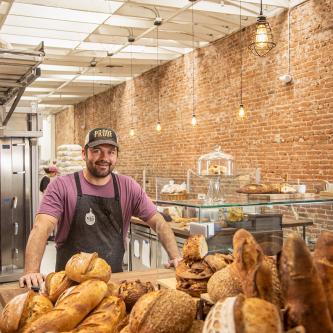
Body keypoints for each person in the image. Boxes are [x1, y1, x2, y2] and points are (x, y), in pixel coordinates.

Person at [20, 127, 181, 289]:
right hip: (68, 288)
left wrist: (176, 257)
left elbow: (159, 223)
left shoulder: (128, 187)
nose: (104, 157)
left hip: (113, 285)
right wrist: (31, 271)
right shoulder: (62, 186)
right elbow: (41, 227)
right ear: (84, 153)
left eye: (111, 152)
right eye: (97, 151)